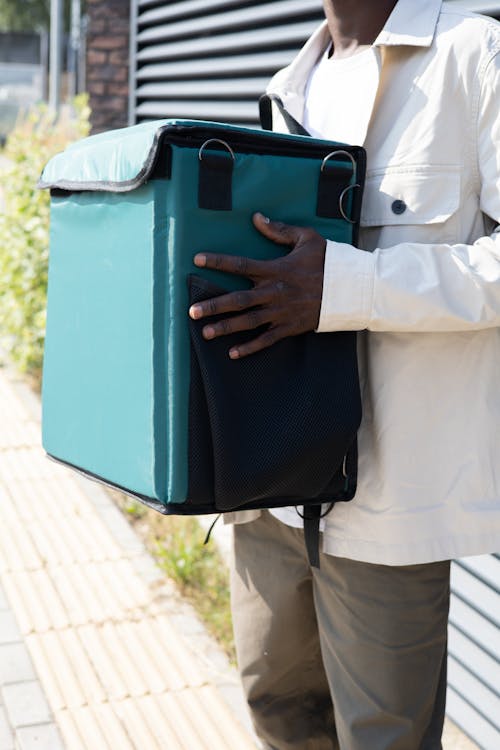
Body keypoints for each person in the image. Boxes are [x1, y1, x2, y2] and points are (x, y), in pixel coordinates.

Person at [189, 1, 500, 748]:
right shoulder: (284, 85)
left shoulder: (473, 53)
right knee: (278, 712)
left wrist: (348, 287)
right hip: (267, 488)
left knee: (383, 738)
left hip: (390, 504)